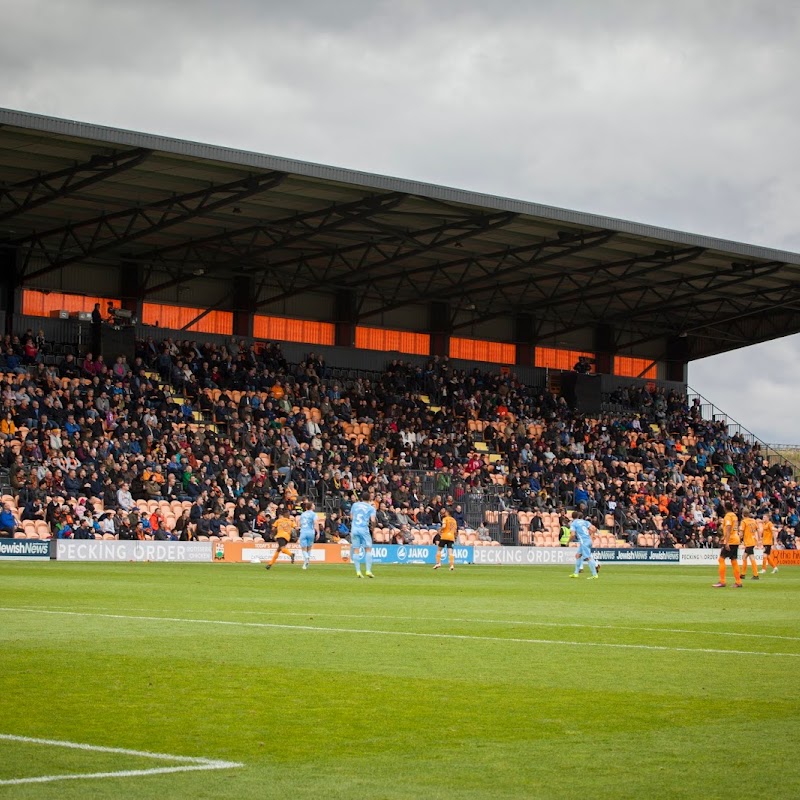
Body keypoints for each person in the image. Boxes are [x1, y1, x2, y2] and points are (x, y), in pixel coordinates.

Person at [714, 503, 742, 588]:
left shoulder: (728, 516)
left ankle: (722, 581)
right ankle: (738, 582)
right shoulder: (734, 516)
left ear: (725, 508)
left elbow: (729, 527)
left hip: (731, 540)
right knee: (733, 560)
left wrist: (727, 541)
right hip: (736, 539)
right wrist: (724, 537)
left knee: (721, 559)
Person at [349, 491, 376, 578]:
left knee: (356, 550)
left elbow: (351, 517)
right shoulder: (371, 508)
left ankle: (358, 571)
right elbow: (372, 520)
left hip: (354, 529)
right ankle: (368, 570)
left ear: (361, 498)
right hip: (363, 529)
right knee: (368, 549)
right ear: (369, 499)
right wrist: (373, 527)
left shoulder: (355, 505)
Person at [569, 510, 599, 579]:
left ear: (572, 517)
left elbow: (573, 534)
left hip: (584, 542)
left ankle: (595, 575)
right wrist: (592, 535)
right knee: (578, 556)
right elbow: (594, 528)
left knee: (588, 558)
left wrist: (568, 542)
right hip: (589, 540)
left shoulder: (574, 523)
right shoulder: (585, 522)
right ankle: (576, 573)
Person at [433, 507, 457, 571]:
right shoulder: (454, 520)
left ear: (448, 512)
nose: (445, 512)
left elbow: (444, 526)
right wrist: (454, 537)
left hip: (444, 536)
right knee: (450, 552)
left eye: (446, 512)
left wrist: (440, 530)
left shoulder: (445, 519)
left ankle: (438, 563)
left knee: (439, 550)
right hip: (451, 537)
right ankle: (451, 565)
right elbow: (455, 531)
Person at [739, 508, 760, 580]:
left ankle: (756, 575)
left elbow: (741, 533)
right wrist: (759, 539)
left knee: (751, 557)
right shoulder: (753, 521)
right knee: (744, 557)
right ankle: (743, 574)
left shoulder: (744, 522)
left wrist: (739, 539)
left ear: (743, 515)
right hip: (753, 540)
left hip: (748, 542)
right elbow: (758, 530)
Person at [298, 500, 318, 571]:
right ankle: (306, 563)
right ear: (311, 507)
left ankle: (306, 558)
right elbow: (315, 523)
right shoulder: (314, 514)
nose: (314, 506)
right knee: (309, 548)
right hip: (311, 532)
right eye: (313, 505)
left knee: (303, 548)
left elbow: (299, 524)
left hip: (303, 531)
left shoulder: (303, 514)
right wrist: (317, 532)